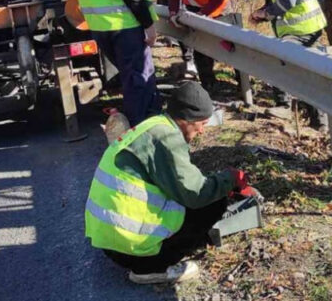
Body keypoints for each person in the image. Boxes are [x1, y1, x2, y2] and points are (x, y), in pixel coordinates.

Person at [86, 82, 257, 285]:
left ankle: (148, 254)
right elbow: (196, 193)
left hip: (110, 241)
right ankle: (153, 268)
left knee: (197, 195)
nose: (202, 131)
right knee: (212, 204)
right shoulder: (167, 138)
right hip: (134, 250)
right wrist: (230, 179)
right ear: (187, 120)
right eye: (202, 124)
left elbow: (179, 179)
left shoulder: (154, 125)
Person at [249, 0, 327, 123]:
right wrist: (260, 15)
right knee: (307, 73)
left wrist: (265, 13)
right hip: (297, 31)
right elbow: (274, 5)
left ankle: (285, 106)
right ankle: (319, 122)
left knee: (280, 57)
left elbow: (287, 1)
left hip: (305, 31)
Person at [167, 0, 236, 88]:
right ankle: (208, 83)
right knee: (201, 44)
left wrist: (202, 15)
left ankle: (241, 82)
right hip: (194, 3)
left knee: (232, 43)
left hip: (219, 7)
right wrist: (173, 13)